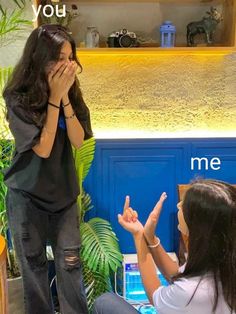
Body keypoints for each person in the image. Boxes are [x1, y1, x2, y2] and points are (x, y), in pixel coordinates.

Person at [3, 24, 93, 314]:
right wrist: (54, 97)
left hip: (64, 196)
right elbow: (42, 148)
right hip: (27, 195)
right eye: (59, 58)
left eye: (70, 57)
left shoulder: (71, 91)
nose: (67, 66)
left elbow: (79, 141)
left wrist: (65, 97)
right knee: (34, 268)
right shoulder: (18, 96)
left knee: (70, 266)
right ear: (40, 59)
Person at [93, 179, 236, 314]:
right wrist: (150, 238)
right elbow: (178, 275)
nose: (178, 206)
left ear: (199, 226)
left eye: (183, 205)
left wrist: (138, 235)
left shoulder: (191, 292)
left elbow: (155, 295)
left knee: (104, 302)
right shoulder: (221, 260)